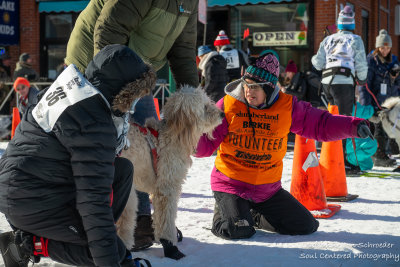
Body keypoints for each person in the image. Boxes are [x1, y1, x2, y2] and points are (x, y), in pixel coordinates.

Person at [0, 44, 154, 267]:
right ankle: (27, 244)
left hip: (26, 187)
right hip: (29, 199)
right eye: (136, 94)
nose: (136, 102)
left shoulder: (70, 91)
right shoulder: (93, 121)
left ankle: (59, 233)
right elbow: (93, 200)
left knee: (122, 170)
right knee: (104, 249)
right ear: (123, 90)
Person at [195, 50, 373, 240]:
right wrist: (189, 139)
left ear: (270, 89)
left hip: (266, 190)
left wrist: (354, 126)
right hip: (231, 185)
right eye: (246, 85)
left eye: (256, 87)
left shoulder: (288, 107)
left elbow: (321, 123)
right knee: (236, 230)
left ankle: (250, 215)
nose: (249, 91)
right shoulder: (228, 105)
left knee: (306, 225)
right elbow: (206, 142)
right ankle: (231, 213)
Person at [64, 0, 199, 251]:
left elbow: (183, 51)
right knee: (107, 145)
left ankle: (140, 222)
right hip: (92, 62)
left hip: (138, 70)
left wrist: (192, 100)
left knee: (141, 148)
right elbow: (109, 29)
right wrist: (109, 88)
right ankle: (98, 221)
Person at [311, 5, 368, 175]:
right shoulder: (356, 40)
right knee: (344, 122)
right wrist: (362, 79)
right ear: (352, 24)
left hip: (327, 83)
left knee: (332, 120)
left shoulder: (328, 40)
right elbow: (361, 63)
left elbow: (317, 63)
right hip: (343, 84)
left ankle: (330, 158)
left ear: (339, 23)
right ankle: (340, 163)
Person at [359, 29, 400, 167]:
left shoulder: (393, 61)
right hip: (374, 101)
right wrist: (366, 106)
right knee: (378, 127)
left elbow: (396, 85)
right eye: (383, 47)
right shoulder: (371, 61)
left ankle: (382, 153)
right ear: (378, 47)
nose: (385, 50)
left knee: (386, 128)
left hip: (388, 101)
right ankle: (378, 155)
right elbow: (365, 85)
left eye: (388, 48)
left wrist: (394, 78)